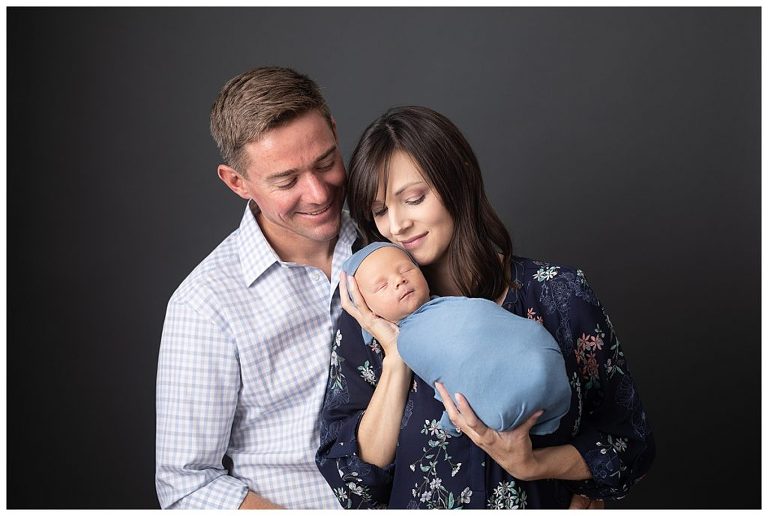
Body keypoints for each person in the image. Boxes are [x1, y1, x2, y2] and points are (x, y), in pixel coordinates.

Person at [316, 106, 655, 509]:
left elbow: (629, 443)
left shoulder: (559, 294)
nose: (397, 225)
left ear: (458, 178)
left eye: (414, 198)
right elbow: (355, 486)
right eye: (379, 211)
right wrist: (395, 357)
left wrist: (536, 465)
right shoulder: (369, 320)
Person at [155, 66, 356, 509]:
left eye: (325, 162)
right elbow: (187, 486)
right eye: (286, 181)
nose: (319, 193)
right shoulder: (205, 305)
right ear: (237, 182)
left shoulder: (393, 232)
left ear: (336, 133)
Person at [341, 240, 572, 437]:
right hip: (520, 399)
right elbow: (447, 384)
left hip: (544, 360)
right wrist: (450, 421)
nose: (399, 281)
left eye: (406, 270)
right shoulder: (407, 342)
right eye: (381, 286)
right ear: (366, 308)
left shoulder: (453, 302)